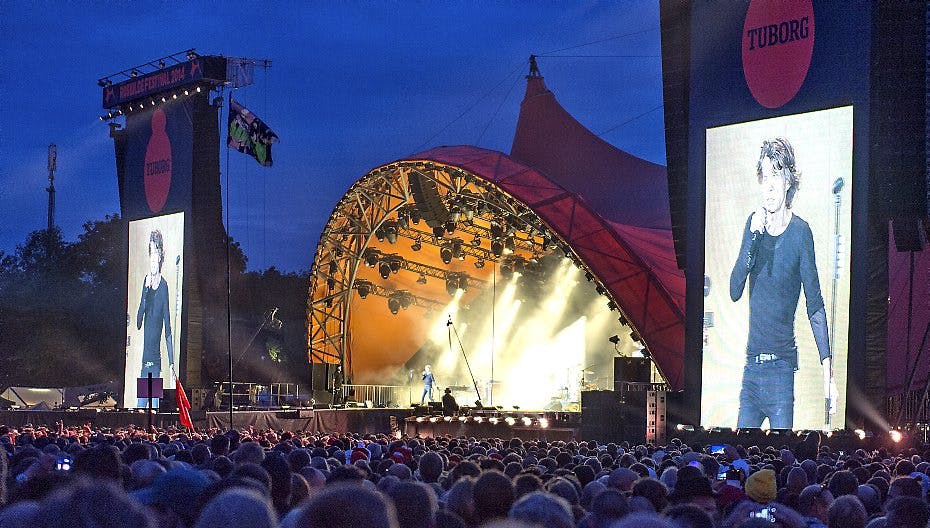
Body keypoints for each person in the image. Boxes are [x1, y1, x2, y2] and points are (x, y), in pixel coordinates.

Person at [729, 137, 838, 429]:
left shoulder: (801, 233)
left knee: (780, 457)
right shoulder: (753, 227)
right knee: (739, 450)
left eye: (776, 175)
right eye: (764, 176)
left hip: (781, 371)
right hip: (751, 369)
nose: (770, 185)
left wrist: (827, 372)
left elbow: (814, 305)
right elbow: (734, 290)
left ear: (788, 180)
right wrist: (752, 239)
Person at [136, 230, 174, 408]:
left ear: (160, 259)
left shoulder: (164, 287)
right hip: (144, 358)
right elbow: (138, 321)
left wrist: (172, 362)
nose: (152, 263)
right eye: (150, 257)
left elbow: (167, 328)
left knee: (154, 405)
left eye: (156, 258)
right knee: (141, 404)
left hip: (156, 359)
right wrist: (145, 293)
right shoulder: (146, 282)